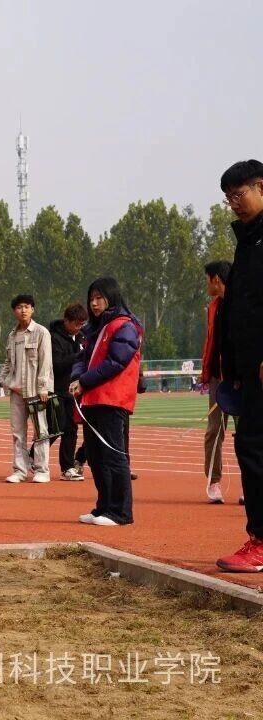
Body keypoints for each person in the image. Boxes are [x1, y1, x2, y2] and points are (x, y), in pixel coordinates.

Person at [215, 160, 263, 571]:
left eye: (239, 194)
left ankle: (261, 542)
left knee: (254, 447)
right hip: (248, 369)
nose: (233, 203)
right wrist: (229, 367)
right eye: (228, 197)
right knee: (251, 446)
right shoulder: (248, 241)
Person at [70, 278, 142, 526]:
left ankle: (121, 512)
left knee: (113, 455)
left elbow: (116, 362)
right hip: (92, 400)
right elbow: (82, 358)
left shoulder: (125, 326)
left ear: (111, 297)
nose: (94, 303)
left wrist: (84, 381)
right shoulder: (95, 329)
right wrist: (77, 378)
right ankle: (103, 507)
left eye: (99, 298)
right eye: (91, 298)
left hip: (112, 399)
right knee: (96, 456)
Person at [0, 294, 54, 484]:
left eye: (27, 306)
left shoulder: (41, 332)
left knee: (40, 430)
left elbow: (46, 362)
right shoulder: (12, 335)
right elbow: (8, 361)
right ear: (14, 311)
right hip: (16, 391)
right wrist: (4, 379)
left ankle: (42, 470)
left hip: (35, 391)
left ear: (32, 309)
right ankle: (20, 470)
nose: (23, 310)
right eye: (19, 307)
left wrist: (43, 388)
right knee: (18, 433)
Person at [201, 260, 232, 503]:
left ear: (216, 280)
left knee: (248, 431)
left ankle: (251, 483)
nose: (206, 284)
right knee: (214, 430)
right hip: (217, 378)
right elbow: (211, 341)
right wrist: (206, 373)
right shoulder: (213, 307)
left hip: (242, 378)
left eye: (207, 279)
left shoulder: (243, 304)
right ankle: (214, 481)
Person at [49, 303, 88, 481]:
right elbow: (57, 364)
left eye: (82, 324)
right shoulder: (53, 337)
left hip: (73, 390)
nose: (79, 328)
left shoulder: (81, 337)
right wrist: (78, 355)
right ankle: (33, 455)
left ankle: (67, 468)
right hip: (56, 388)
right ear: (66, 321)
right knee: (55, 427)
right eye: (76, 324)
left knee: (71, 428)